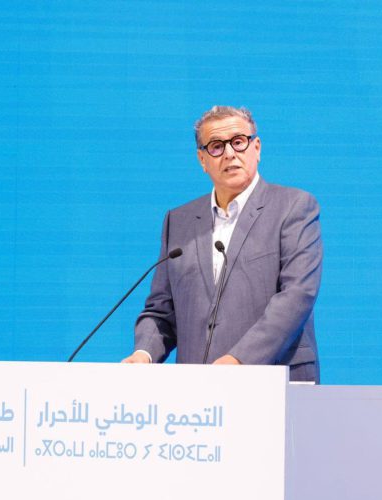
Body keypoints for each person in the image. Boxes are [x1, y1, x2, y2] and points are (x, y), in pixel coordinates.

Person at [122, 106, 322, 382]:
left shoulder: (293, 207)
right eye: (216, 146)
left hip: (274, 382)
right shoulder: (178, 221)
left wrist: (239, 359)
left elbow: (297, 295)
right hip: (198, 391)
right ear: (202, 159)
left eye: (238, 142)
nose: (229, 153)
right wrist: (143, 353)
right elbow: (161, 310)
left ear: (256, 148)